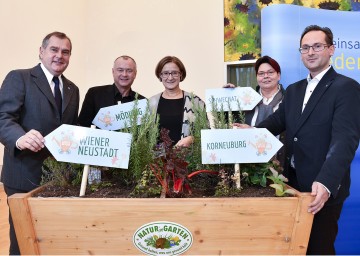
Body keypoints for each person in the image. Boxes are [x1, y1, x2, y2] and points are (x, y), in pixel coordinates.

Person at [235, 25, 360, 254]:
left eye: (317, 46)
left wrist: (326, 182)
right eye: (305, 48)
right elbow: (274, 124)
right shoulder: (293, 90)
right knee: (295, 248)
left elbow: (345, 140)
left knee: (318, 248)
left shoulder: (347, 88)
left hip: (321, 188)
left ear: (331, 49)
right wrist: (249, 131)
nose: (310, 52)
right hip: (292, 186)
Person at [0, 31, 80, 255]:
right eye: (54, 49)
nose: (59, 56)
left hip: (57, 179)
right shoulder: (19, 77)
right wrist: (20, 137)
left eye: (65, 52)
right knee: (22, 242)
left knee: (50, 241)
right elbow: (3, 118)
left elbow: (70, 131)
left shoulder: (73, 89)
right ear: (41, 51)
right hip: (23, 175)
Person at [224, 56, 286, 166]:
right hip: (249, 166)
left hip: (281, 164)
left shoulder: (289, 100)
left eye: (270, 72)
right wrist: (229, 98)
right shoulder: (245, 99)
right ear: (257, 77)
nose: (266, 76)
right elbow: (229, 123)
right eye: (261, 73)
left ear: (279, 75)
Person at [149, 56, 205, 147]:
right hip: (157, 160)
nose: (170, 78)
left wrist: (192, 139)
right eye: (166, 73)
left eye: (174, 73)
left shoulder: (195, 102)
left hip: (189, 159)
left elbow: (207, 133)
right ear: (160, 75)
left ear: (181, 74)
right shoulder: (151, 103)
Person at [78, 55, 145, 127]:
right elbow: (82, 126)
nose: (124, 74)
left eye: (129, 71)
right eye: (120, 70)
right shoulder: (94, 94)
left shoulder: (142, 102)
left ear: (135, 74)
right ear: (113, 72)